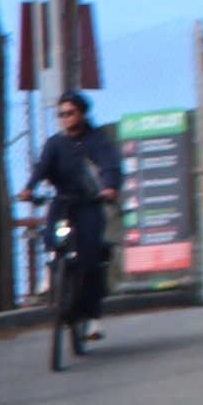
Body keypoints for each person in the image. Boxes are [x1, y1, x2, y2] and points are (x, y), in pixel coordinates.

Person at [29, 90, 122, 340]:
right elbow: (42, 167)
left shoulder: (97, 140)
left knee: (90, 260)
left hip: (89, 204)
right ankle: (52, 270)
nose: (65, 118)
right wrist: (29, 187)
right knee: (51, 235)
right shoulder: (55, 143)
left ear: (81, 113)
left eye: (70, 113)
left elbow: (109, 165)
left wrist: (110, 187)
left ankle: (93, 319)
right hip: (63, 202)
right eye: (61, 114)